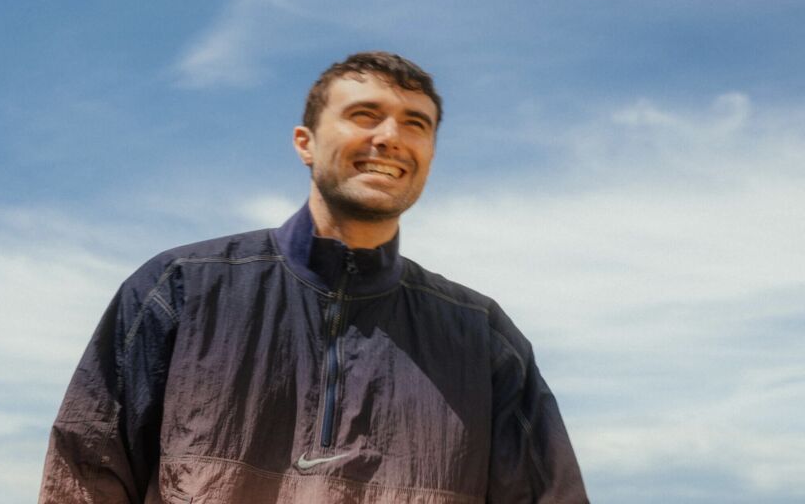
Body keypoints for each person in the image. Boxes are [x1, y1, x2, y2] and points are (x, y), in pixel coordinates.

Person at [39, 51, 589, 503]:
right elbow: (85, 476)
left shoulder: (482, 338)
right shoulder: (180, 290)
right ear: (305, 142)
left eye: (415, 124)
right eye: (365, 114)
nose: (391, 136)